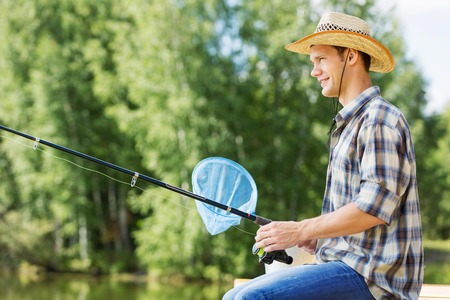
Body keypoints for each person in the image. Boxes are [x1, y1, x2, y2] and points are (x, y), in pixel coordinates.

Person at [223, 12, 423, 300]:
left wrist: (299, 228)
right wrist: (317, 236)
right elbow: (359, 217)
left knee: (249, 299)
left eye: (321, 60)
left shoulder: (378, 118)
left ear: (351, 56)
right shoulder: (351, 124)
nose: (314, 71)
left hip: (373, 281)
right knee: (233, 296)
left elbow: (373, 208)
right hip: (346, 267)